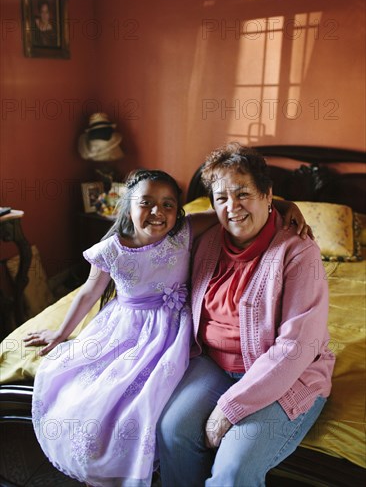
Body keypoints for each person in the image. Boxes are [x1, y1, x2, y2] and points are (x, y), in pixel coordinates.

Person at [24, 168, 309, 487]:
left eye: (168, 204)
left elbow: (231, 208)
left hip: (173, 333)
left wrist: (283, 207)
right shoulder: (111, 249)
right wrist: (61, 333)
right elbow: (89, 292)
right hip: (126, 329)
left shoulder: (185, 232)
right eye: (146, 203)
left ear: (179, 211)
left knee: (153, 395)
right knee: (104, 393)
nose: (157, 212)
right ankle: (105, 467)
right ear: (127, 205)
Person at [157, 144, 335, 487]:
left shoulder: (299, 252)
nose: (232, 207)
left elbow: (296, 346)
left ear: (268, 196)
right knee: (171, 431)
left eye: (243, 194)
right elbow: (137, 236)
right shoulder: (205, 240)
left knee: (234, 471)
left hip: (286, 374)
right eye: (221, 198)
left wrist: (229, 408)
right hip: (212, 364)